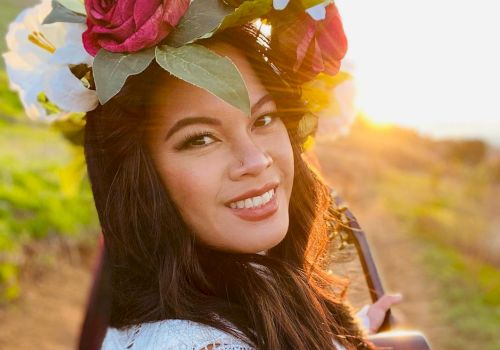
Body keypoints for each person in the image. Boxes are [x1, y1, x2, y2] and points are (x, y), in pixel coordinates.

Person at [4, 0, 402, 349]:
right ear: (142, 178)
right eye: (200, 140)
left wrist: (348, 336)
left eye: (263, 118)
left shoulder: (240, 294)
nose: (256, 160)